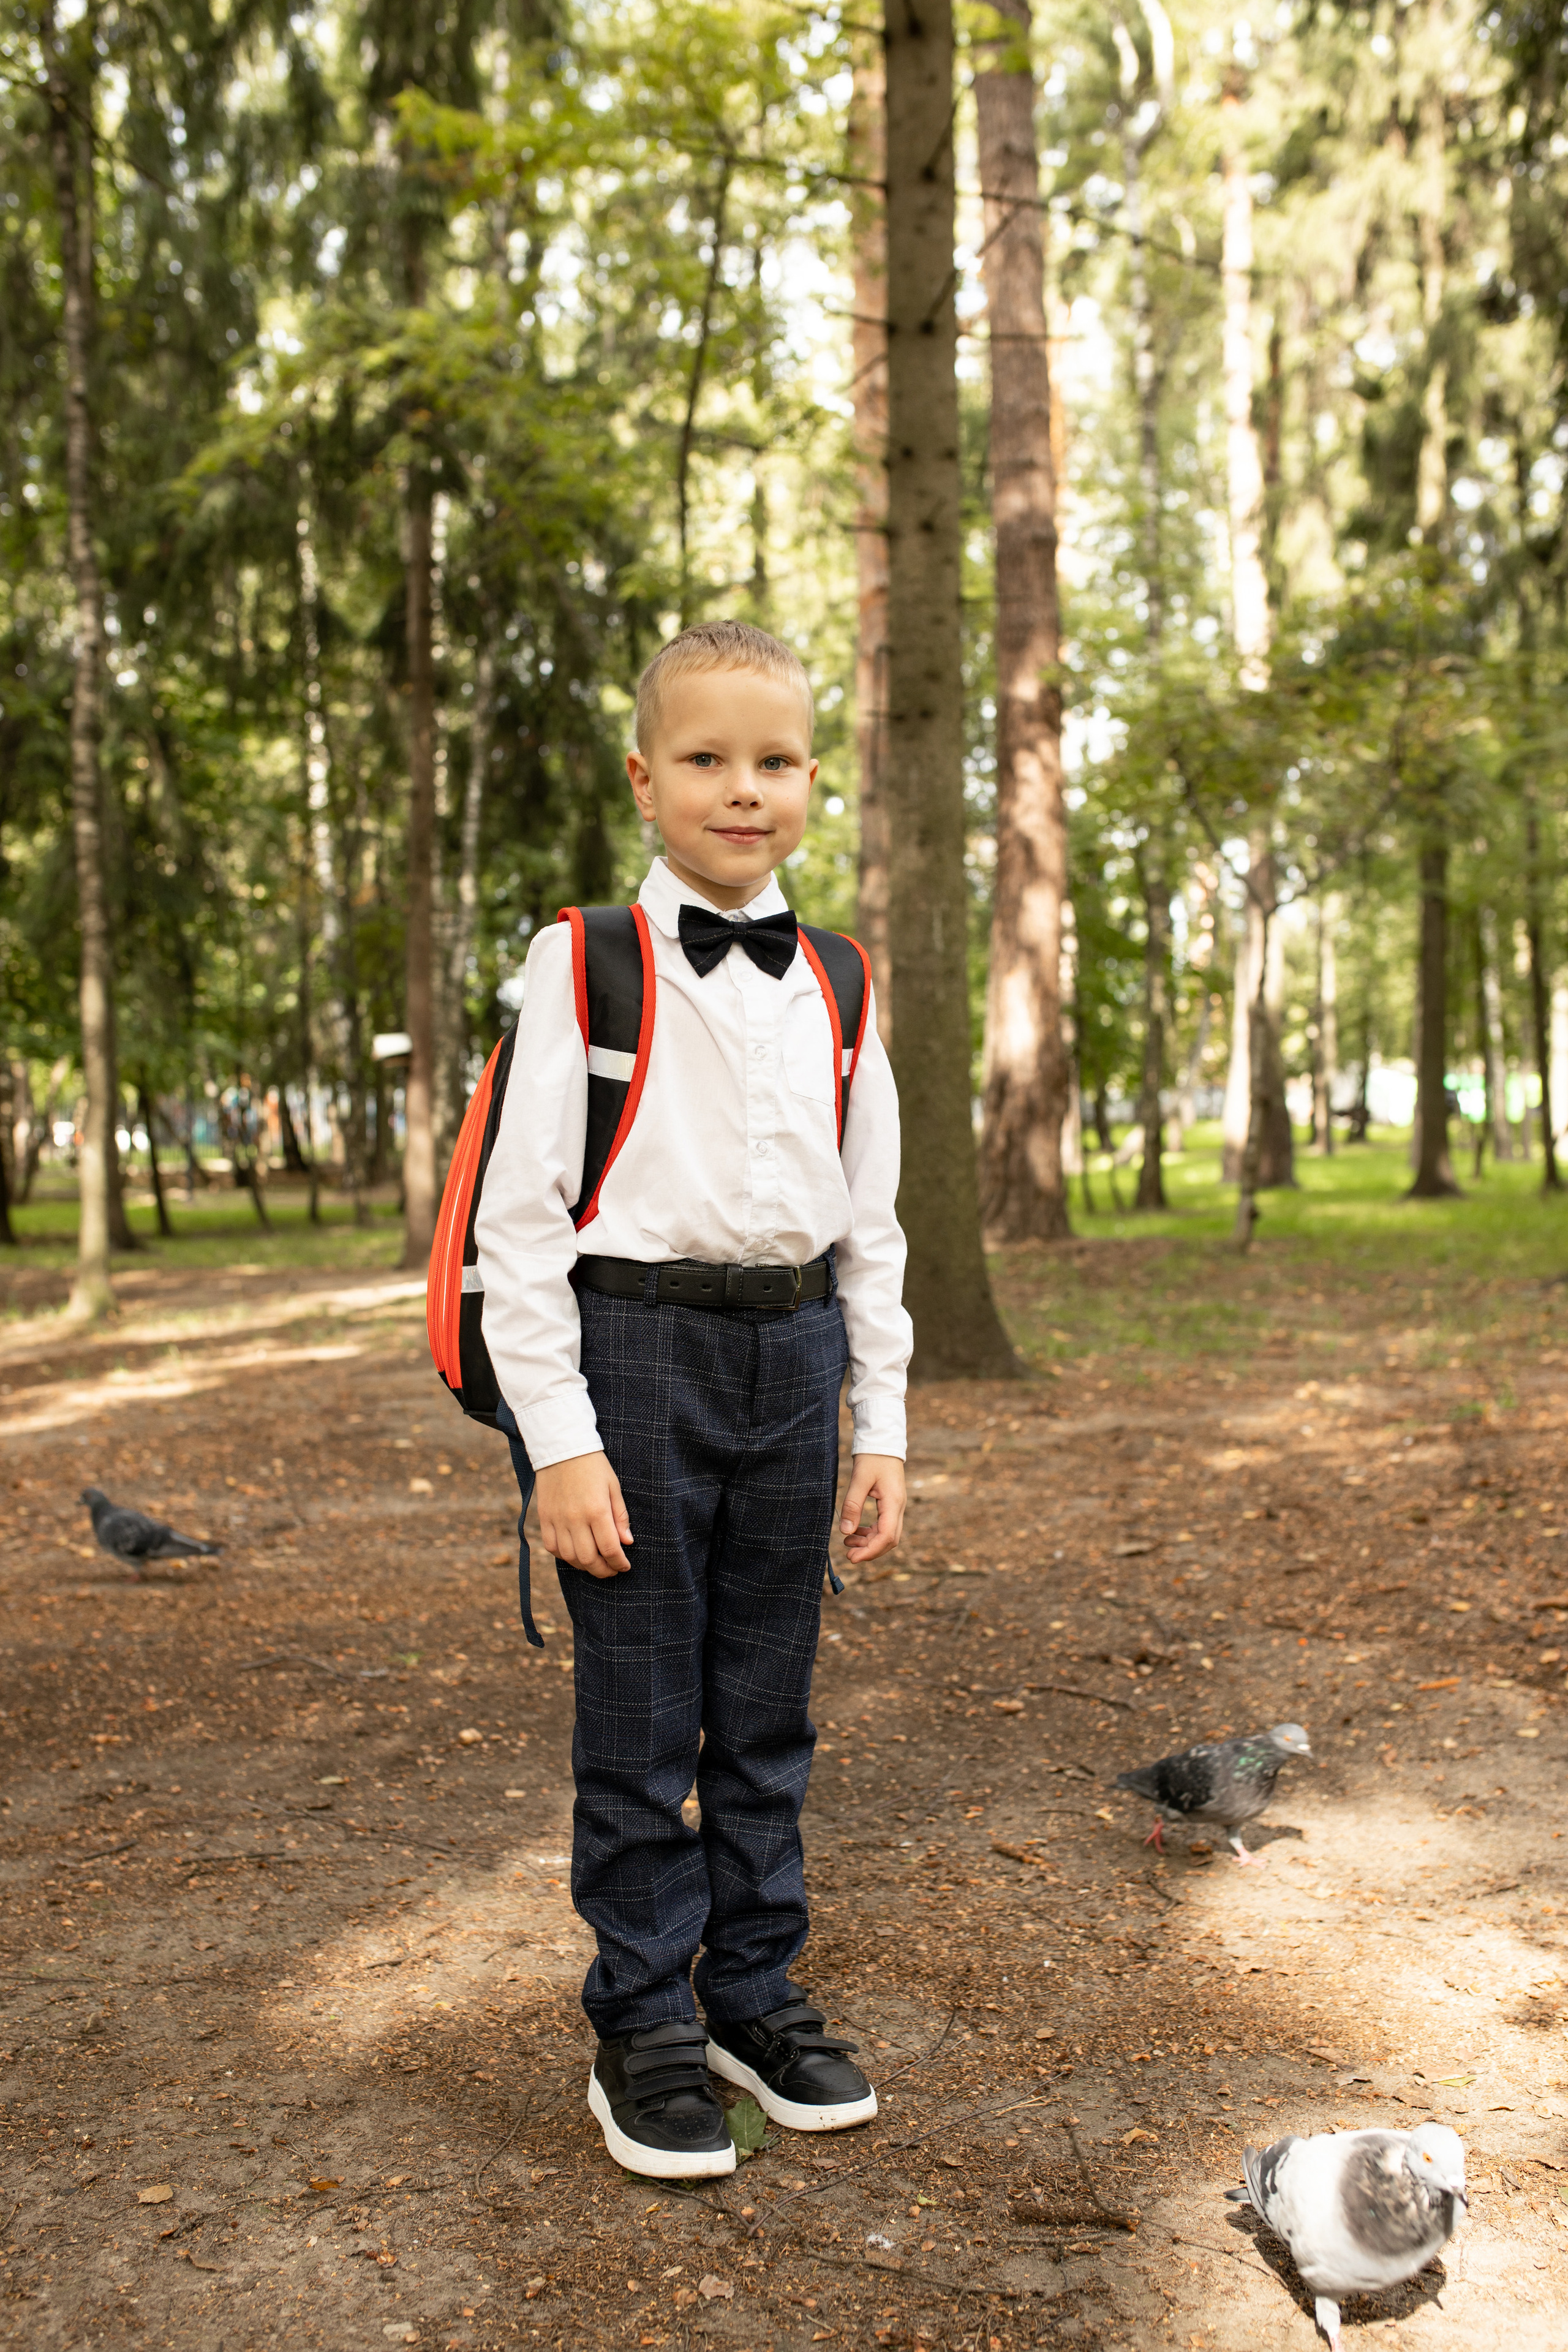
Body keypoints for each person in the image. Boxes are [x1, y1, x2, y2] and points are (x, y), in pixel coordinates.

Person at [473, 619, 911, 2179]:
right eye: (710, 761)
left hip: (794, 1365)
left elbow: (875, 1223)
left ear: (812, 777)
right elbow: (516, 1229)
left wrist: (885, 1423)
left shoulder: (842, 979)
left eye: (777, 761)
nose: (747, 791)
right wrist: (561, 1446)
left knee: (769, 1706)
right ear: (645, 777)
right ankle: (644, 2020)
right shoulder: (582, 959)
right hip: (633, 1358)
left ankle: (753, 1992)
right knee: (645, 1710)